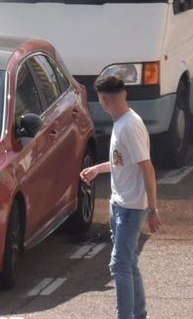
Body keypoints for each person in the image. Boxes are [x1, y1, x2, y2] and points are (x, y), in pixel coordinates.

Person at [81, 74, 161, 319]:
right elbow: (122, 162)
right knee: (129, 264)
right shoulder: (122, 123)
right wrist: (98, 169)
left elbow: (147, 167)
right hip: (120, 206)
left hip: (131, 209)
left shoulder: (128, 126)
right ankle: (138, 314)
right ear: (123, 94)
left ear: (103, 100)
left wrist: (152, 209)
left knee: (119, 265)